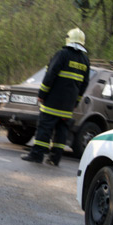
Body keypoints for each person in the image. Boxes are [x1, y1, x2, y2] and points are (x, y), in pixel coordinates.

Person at [21, 28, 90, 166]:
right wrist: (76, 102)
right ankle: (54, 158)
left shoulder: (62, 54)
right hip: (68, 106)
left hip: (52, 102)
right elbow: (84, 84)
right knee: (62, 131)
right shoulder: (85, 60)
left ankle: (37, 155)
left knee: (44, 128)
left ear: (68, 39)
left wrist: (42, 94)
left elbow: (50, 75)